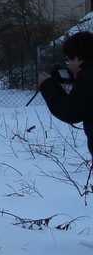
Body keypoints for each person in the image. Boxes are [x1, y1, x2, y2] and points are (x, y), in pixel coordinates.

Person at [37, 31, 93, 162]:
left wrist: (48, 87)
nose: (68, 65)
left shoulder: (88, 77)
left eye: (70, 59)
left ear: (79, 58)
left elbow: (71, 111)